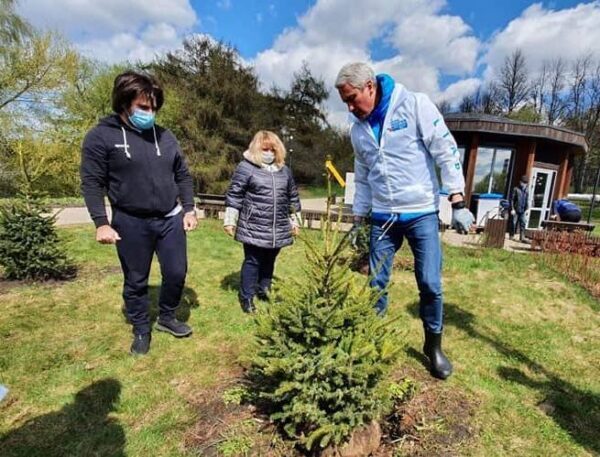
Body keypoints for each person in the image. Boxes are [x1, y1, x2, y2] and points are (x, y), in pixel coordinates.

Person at [335, 62, 474, 380]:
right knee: (376, 284)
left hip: (420, 213)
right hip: (383, 217)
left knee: (429, 283)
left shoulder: (414, 105)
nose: (351, 107)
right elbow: (364, 176)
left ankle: (433, 347)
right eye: (345, 102)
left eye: (353, 98)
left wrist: (457, 199)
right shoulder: (358, 130)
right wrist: (358, 217)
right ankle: (372, 342)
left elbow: (445, 149)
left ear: (370, 86)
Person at [80, 71, 197, 355]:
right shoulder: (101, 137)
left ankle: (167, 317)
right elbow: (92, 182)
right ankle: (141, 329)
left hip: (170, 217)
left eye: (154, 107)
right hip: (130, 222)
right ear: (124, 103)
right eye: (144, 107)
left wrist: (190, 208)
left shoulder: (166, 137)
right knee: (136, 279)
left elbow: (182, 174)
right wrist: (101, 223)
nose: (150, 113)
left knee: (176, 271)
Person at [224, 130, 301, 313]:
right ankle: (247, 298)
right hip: (254, 225)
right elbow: (235, 194)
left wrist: (295, 221)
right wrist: (230, 220)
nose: (269, 153)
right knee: (253, 261)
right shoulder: (246, 168)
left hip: (278, 226)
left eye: (272, 149)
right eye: (265, 149)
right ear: (257, 148)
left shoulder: (284, 171)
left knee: (270, 259)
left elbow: (293, 197)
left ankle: (264, 289)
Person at [510, 175, 529, 241]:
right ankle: (511, 235)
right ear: (520, 182)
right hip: (516, 209)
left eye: (526, 183)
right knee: (513, 222)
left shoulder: (526, 191)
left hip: (523, 210)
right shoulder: (516, 189)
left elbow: (526, 200)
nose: (524, 184)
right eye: (523, 182)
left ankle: (522, 237)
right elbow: (512, 199)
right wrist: (512, 209)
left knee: (523, 223)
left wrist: (527, 209)